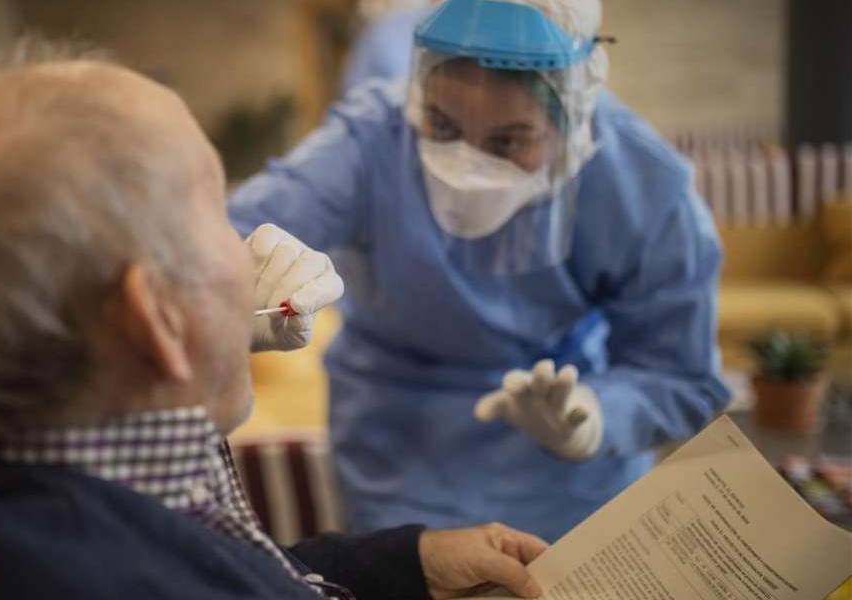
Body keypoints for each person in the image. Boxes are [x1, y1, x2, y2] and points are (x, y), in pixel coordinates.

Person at [0, 46, 550, 600]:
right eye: (215, 209)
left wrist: (406, 564)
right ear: (156, 319)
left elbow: (232, 572)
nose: (248, 247)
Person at [229, 0, 729, 541]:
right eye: (441, 125)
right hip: (401, 460)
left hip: (574, 481)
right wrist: (241, 285)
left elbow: (684, 375)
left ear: (574, 117)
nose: (466, 165)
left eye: (509, 140)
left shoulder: (642, 184)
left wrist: (598, 416)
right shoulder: (372, 140)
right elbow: (224, 238)